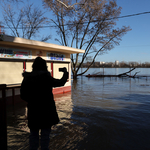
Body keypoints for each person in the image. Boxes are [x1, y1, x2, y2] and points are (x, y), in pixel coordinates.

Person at [20, 57, 68, 150]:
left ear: (33, 66)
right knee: (45, 136)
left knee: (33, 135)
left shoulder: (27, 78)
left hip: (33, 111)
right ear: (44, 67)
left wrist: (32, 101)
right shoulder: (46, 78)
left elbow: (23, 95)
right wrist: (65, 72)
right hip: (47, 111)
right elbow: (61, 82)